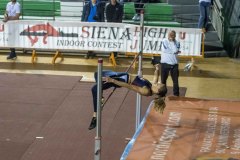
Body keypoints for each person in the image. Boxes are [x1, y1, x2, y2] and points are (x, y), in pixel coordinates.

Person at [88, 70, 167, 130]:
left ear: (157, 91)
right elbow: (156, 77)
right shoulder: (152, 86)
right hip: (123, 75)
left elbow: (130, 86)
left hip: (122, 79)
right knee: (97, 73)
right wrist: (157, 69)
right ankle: (100, 97)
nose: (158, 83)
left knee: (95, 89)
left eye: (159, 84)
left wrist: (113, 81)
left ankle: (95, 116)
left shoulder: (146, 90)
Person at [160, 30, 181, 97]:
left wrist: (172, 43)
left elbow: (175, 50)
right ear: (167, 35)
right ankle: (162, 94)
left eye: (172, 35)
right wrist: (173, 52)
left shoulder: (177, 43)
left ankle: (176, 95)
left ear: (175, 36)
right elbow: (164, 50)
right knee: (163, 80)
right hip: (164, 63)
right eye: (170, 35)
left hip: (174, 64)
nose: (171, 36)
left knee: (175, 81)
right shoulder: (164, 41)